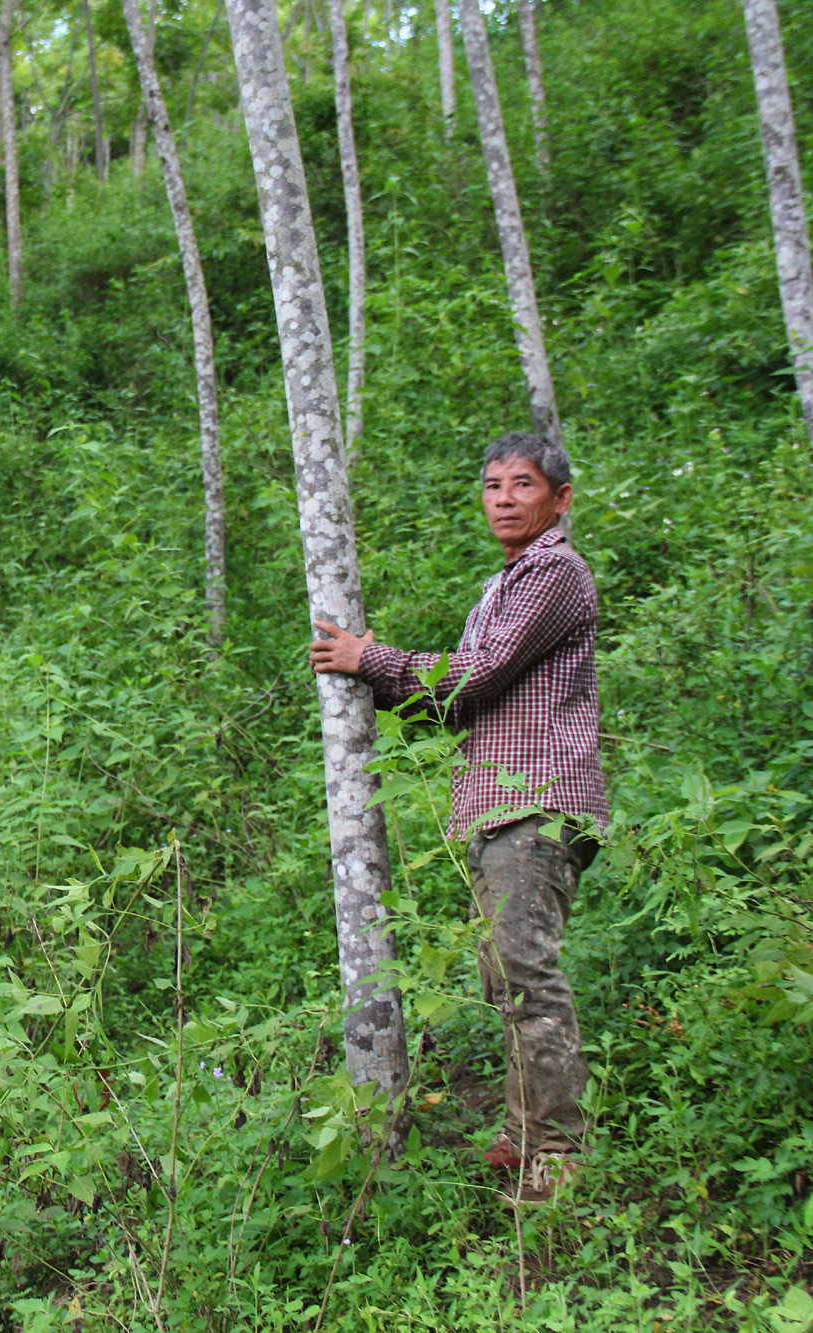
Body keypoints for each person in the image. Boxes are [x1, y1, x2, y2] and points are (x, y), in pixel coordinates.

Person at [308, 431, 608, 1202]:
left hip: (537, 802)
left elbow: (474, 675)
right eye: (493, 486)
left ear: (560, 498)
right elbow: (455, 701)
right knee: (506, 973)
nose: (505, 499)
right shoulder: (502, 583)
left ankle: (559, 1154)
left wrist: (370, 660)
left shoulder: (555, 572)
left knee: (526, 975)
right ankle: (522, 1133)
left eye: (524, 485)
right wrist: (375, 674)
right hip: (497, 804)